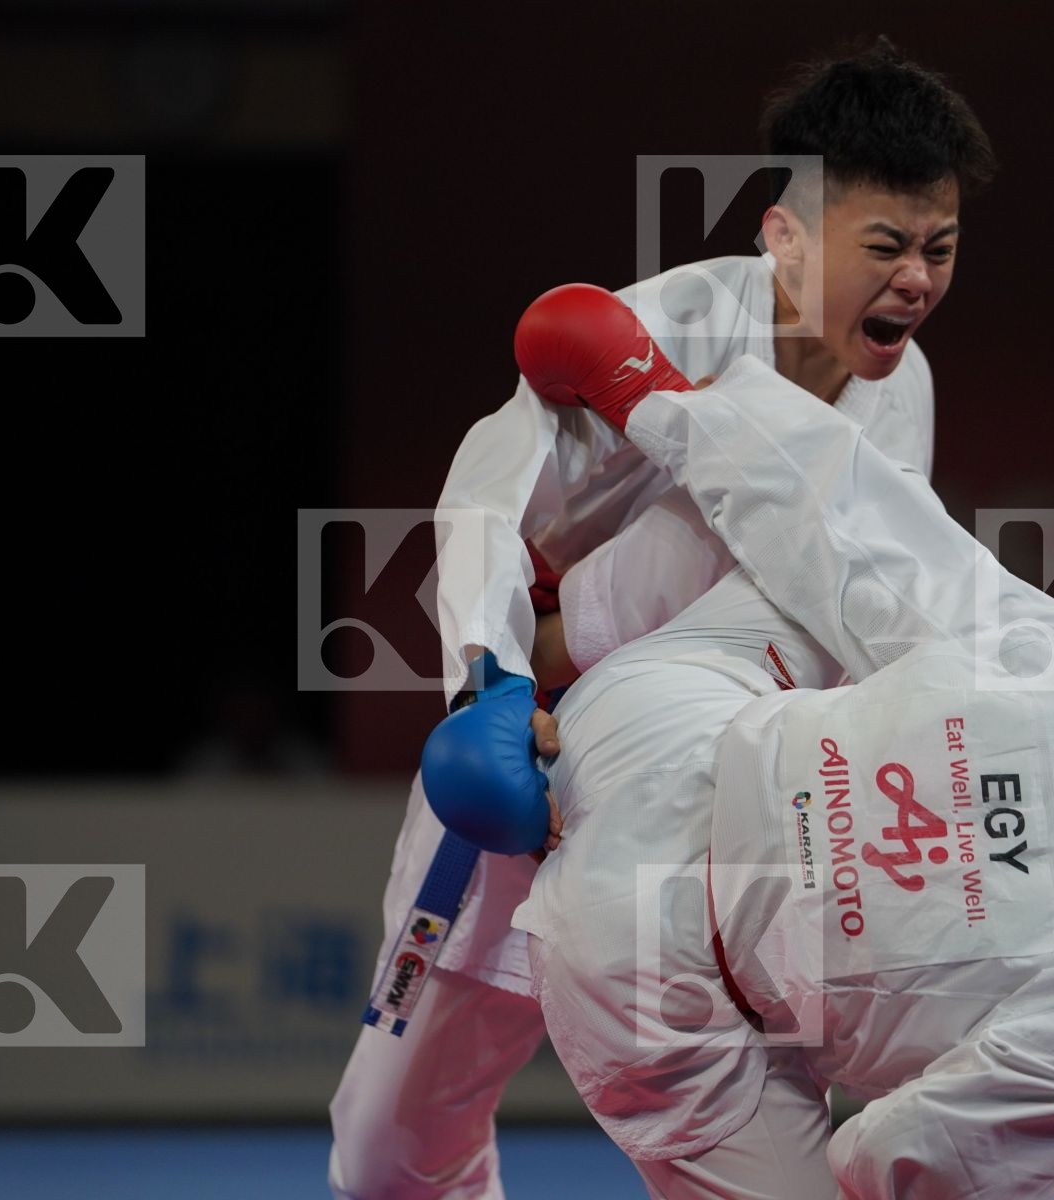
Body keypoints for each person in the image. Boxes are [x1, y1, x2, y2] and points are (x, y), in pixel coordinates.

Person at [435, 284, 1054, 1198]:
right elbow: (887, 1162)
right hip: (646, 969)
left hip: (646, 718)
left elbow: (850, 534)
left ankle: (509, 659)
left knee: (847, 578)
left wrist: (657, 400)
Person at [329, 37, 997, 1199]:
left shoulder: (908, 389)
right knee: (389, 1148)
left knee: (756, 1144)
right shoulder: (662, 325)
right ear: (784, 236)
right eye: (884, 247)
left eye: (939, 250)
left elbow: (854, 596)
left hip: (720, 799)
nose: (917, 282)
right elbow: (491, 490)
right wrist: (489, 682)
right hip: (535, 755)